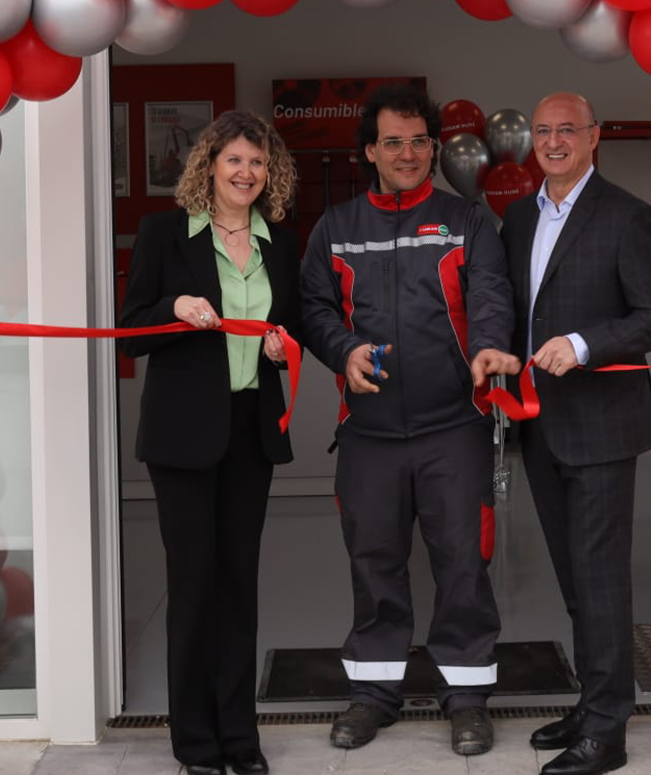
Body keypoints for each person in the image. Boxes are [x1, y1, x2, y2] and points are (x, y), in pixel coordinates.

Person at [298, 84, 516, 757]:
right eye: (393, 142)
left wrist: (486, 347)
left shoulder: (467, 220)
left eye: (419, 141)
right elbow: (313, 308)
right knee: (374, 565)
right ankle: (373, 695)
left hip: (455, 428)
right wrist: (343, 349)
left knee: (462, 566)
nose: (408, 153)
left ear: (434, 147)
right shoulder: (336, 228)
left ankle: (468, 699)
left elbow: (489, 292)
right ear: (370, 151)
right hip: (368, 436)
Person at [480, 91, 651, 775]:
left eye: (569, 130)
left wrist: (585, 342)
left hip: (602, 425)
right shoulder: (516, 218)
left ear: (595, 137)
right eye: (543, 131)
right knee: (574, 579)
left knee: (601, 581)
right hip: (540, 425)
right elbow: (513, 310)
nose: (555, 141)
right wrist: (498, 357)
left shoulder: (629, 216)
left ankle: (608, 732)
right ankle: (596, 700)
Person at [117, 111, 301, 775]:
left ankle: (240, 739)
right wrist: (173, 310)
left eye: (258, 162)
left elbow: (296, 326)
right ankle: (195, 744)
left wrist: (283, 347)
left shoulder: (279, 241)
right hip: (182, 439)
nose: (247, 173)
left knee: (238, 588)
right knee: (193, 587)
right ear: (210, 166)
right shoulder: (166, 233)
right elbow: (131, 324)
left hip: (250, 435)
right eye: (234, 161)